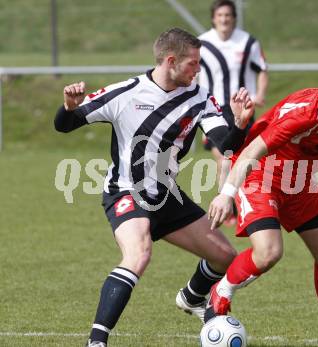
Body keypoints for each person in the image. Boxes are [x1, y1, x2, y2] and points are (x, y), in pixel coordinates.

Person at [54, 27, 255, 347]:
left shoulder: (199, 96)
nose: (198, 69)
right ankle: (96, 342)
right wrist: (68, 106)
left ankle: (191, 298)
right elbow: (65, 125)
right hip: (126, 192)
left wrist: (240, 124)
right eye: (193, 63)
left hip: (166, 197)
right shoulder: (126, 93)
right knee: (139, 254)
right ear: (171, 61)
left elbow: (225, 143)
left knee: (225, 257)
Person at [206, 76, 318, 347]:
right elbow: (251, 151)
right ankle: (221, 291)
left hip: (299, 182)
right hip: (261, 175)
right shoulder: (306, 115)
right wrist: (225, 195)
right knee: (269, 253)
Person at [198, 0, 269, 225]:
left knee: (245, 160)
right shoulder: (202, 43)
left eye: (228, 15)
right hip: (215, 108)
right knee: (224, 159)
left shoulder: (247, 42)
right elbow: (195, 77)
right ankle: (227, 208)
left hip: (243, 108)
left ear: (234, 18)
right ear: (213, 18)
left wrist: (259, 94)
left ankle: (240, 206)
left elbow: (262, 70)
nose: (224, 19)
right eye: (220, 15)